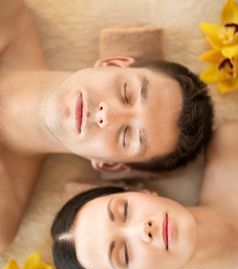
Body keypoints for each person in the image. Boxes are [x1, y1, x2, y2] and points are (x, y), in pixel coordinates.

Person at [0, 0, 213, 251]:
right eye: (126, 93)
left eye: (127, 136)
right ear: (113, 63)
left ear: (108, 164)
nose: (107, 115)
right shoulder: (7, 15)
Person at [51, 122, 238, 269]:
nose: (143, 229)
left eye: (125, 211)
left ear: (141, 192)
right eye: (125, 255)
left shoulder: (230, 145)